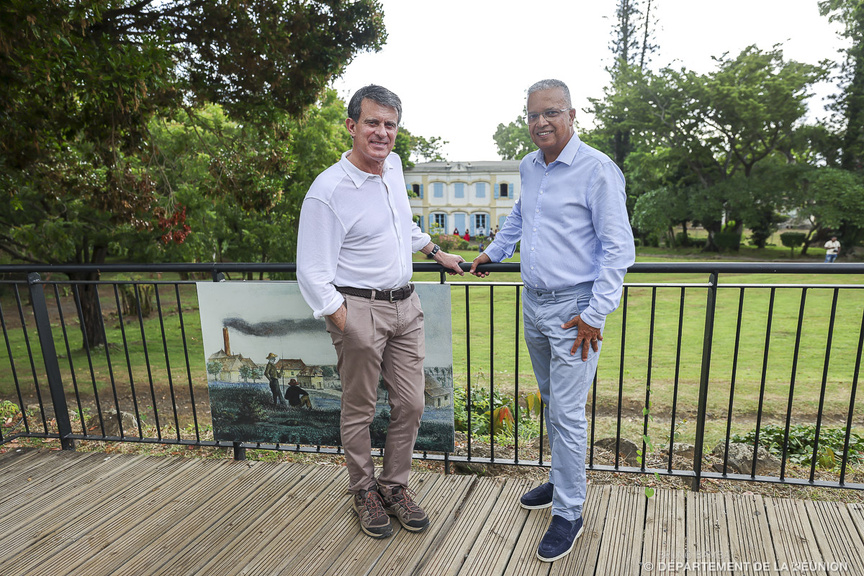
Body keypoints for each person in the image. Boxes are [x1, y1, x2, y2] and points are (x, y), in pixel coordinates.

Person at [470, 79, 635, 563]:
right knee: (552, 405)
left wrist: (594, 313)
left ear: (571, 114)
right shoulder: (530, 166)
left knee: (565, 413)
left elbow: (618, 249)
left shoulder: (597, 170)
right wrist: (492, 252)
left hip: (574, 313)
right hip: (534, 304)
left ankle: (569, 512)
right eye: (533, 114)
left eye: (552, 113)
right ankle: (562, 480)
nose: (541, 122)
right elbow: (521, 217)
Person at [296, 85, 464, 539]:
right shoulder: (328, 191)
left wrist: (436, 251)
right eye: (372, 122)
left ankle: (393, 486)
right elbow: (311, 272)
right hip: (359, 310)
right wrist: (348, 323)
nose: (382, 132)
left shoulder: (393, 168)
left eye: (390, 124)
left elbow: (400, 224)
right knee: (359, 409)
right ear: (352, 126)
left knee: (412, 402)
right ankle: (363, 491)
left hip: (406, 306)